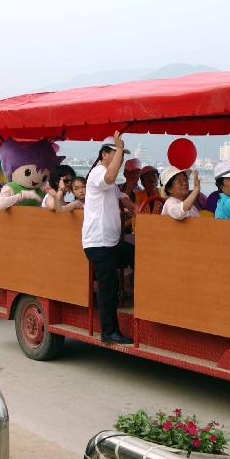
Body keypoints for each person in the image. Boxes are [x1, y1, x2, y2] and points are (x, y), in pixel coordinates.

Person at [82, 133, 135, 345]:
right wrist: (120, 149)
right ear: (105, 154)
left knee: (137, 255)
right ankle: (109, 332)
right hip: (98, 243)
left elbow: (126, 201)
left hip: (111, 243)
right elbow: (111, 178)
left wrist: (137, 211)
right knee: (109, 287)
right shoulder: (98, 173)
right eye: (116, 154)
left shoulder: (110, 182)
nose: (120, 160)